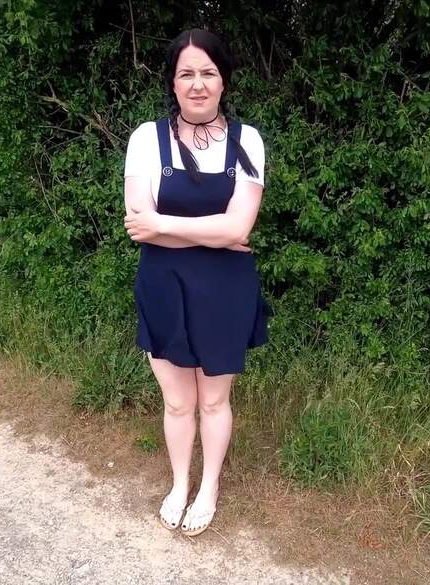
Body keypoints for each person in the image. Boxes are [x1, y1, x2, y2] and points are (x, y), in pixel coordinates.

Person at [123, 28, 272, 537]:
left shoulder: (247, 141)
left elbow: (239, 228)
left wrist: (164, 226)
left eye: (208, 72)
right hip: (163, 286)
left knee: (212, 400)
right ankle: (179, 484)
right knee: (177, 401)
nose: (197, 84)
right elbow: (137, 222)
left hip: (225, 292)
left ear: (223, 80)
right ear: (172, 82)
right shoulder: (146, 139)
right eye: (186, 73)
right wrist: (215, 234)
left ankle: (209, 487)